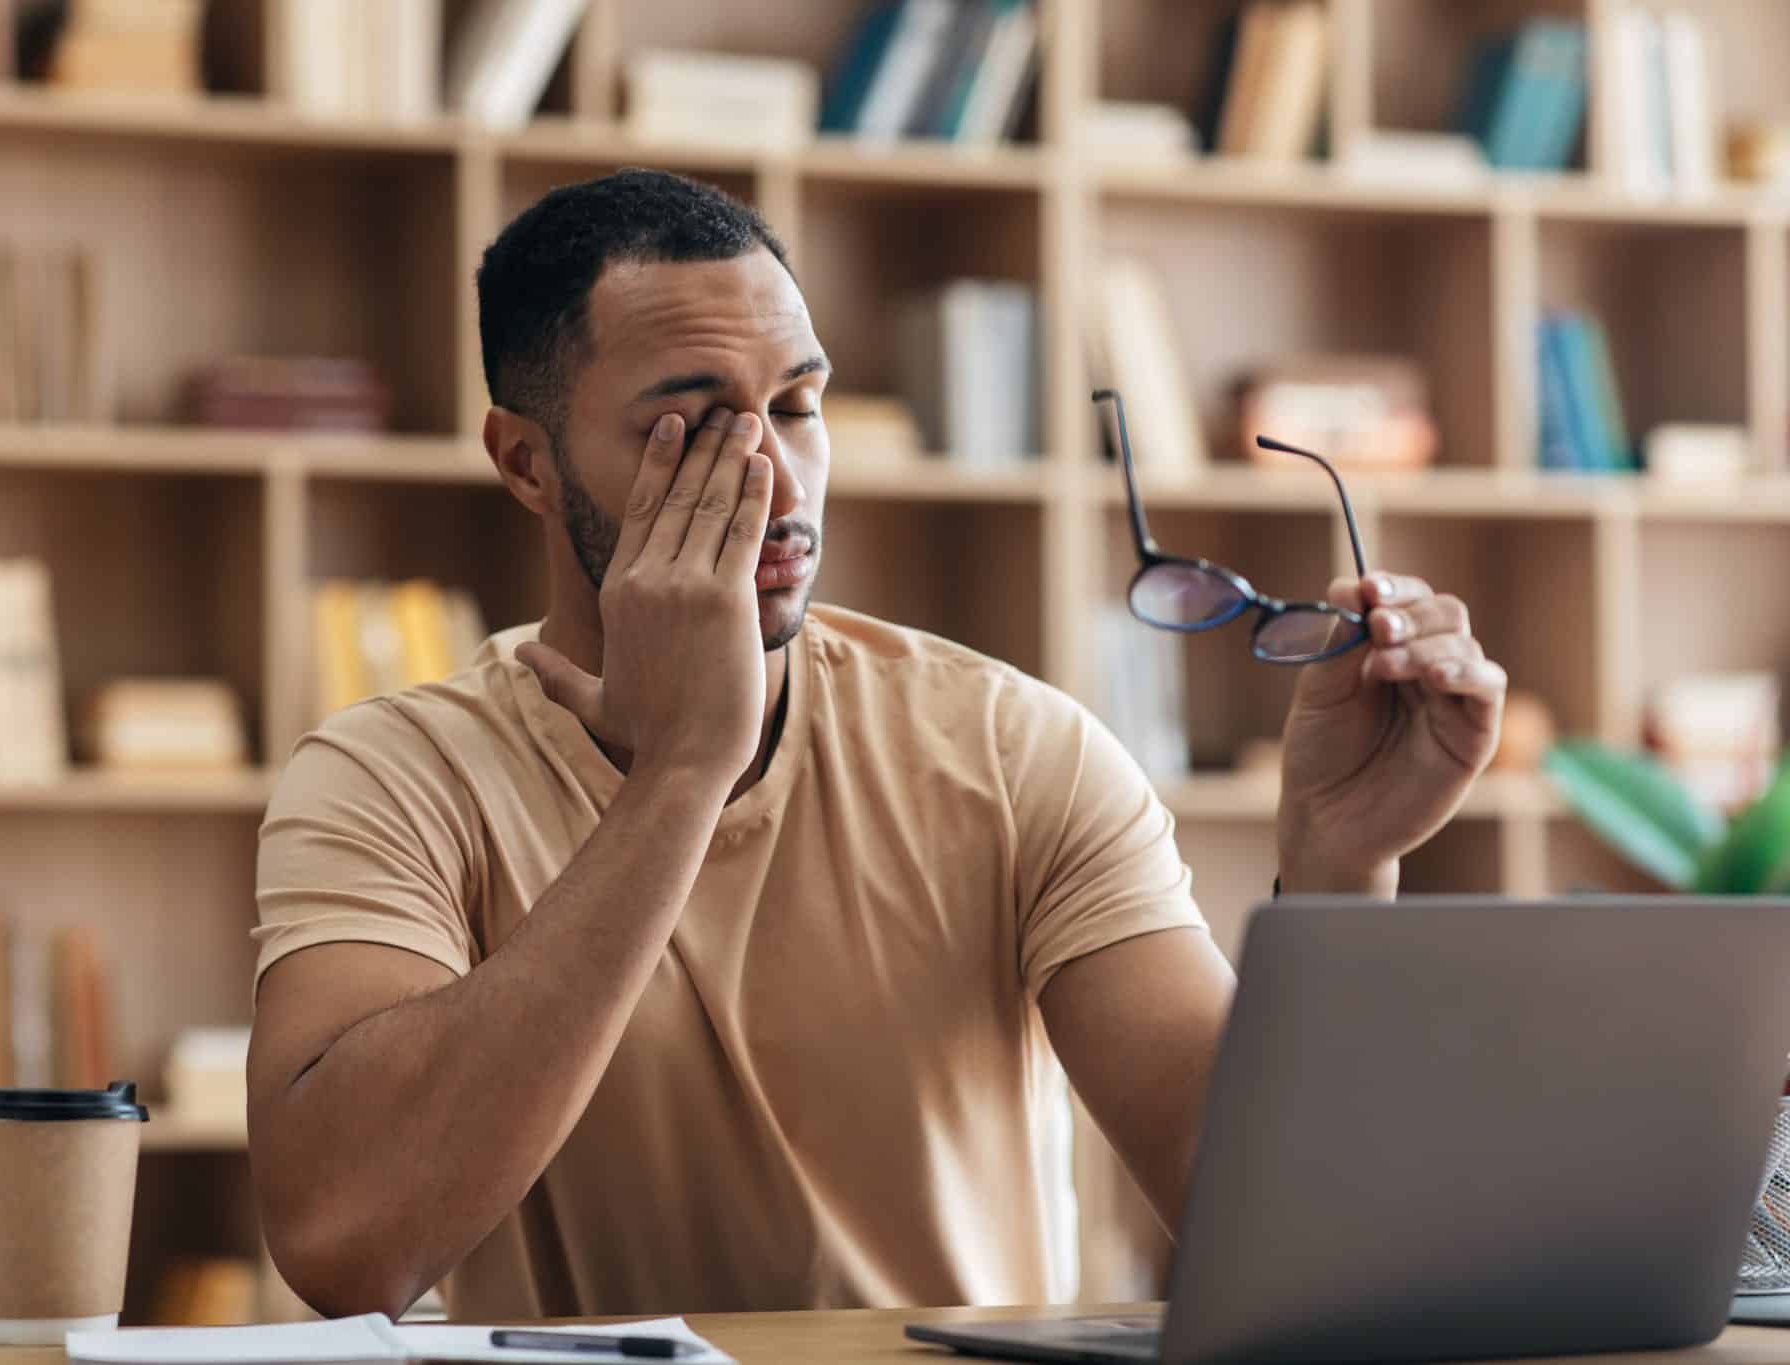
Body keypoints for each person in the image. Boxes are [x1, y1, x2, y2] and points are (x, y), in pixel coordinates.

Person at [247, 169, 1507, 1321]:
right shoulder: (388, 777)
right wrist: (685, 771)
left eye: (797, 407)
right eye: (688, 431)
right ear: (525, 464)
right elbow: (344, 1244)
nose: (780, 486)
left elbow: (1278, 1234)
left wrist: (1338, 873)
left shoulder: (1008, 746)